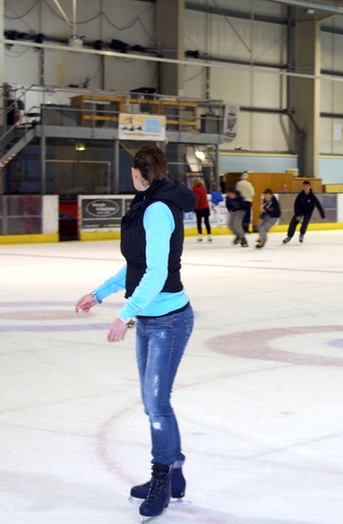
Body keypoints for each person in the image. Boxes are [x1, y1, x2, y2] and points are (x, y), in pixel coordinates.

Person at [73, 145, 195, 520]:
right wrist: (98, 293)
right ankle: (173, 474)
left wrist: (123, 314)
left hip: (169, 321)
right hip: (150, 321)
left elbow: (156, 274)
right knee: (153, 404)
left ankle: (162, 480)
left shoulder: (157, 209)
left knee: (157, 405)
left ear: (135, 172)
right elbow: (134, 266)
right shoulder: (146, 203)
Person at [191, 178, 212, 242]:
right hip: (206, 207)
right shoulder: (204, 189)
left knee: (199, 222)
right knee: (207, 222)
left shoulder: (194, 190)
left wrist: (195, 207)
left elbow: (197, 199)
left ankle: (200, 235)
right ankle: (209, 235)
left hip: (199, 208)